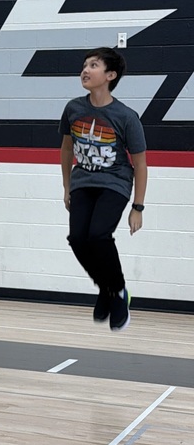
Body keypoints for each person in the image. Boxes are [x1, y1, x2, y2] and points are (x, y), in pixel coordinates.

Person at [59, 47, 147, 332]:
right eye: (84, 64)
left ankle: (119, 291)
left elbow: (141, 164)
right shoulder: (73, 108)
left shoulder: (126, 116)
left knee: (98, 235)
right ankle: (106, 288)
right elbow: (66, 148)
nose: (85, 70)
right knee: (77, 239)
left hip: (115, 182)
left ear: (110, 75)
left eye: (93, 65)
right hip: (83, 181)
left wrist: (138, 207)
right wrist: (67, 186)